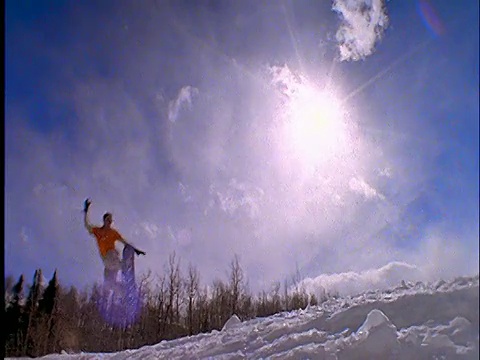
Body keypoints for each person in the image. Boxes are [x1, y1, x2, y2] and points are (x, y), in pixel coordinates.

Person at [83, 198, 145, 295]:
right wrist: (86, 212)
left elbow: (124, 241)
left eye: (111, 221)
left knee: (112, 261)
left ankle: (124, 271)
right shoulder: (98, 231)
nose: (110, 222)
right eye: (108, 220)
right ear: (104, 220)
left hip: (112, 256)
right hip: (106, 260)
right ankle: (124, 287)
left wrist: (136, 250)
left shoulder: (113, 233)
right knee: (108, 284)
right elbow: (87, 226)